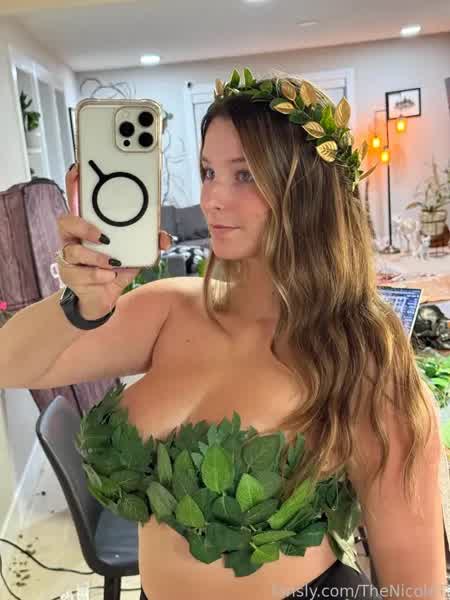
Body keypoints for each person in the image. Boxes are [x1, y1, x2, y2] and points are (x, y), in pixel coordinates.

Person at [0, 67, 446, 600]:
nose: (211, 198)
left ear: (308, 191)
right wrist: (79, 304)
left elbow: (413, 580)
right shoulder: (170, 307)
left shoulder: (360, 355)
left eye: (245, 175)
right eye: (209, 171)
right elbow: (10, 363)